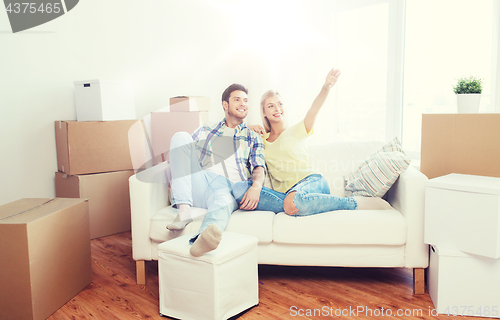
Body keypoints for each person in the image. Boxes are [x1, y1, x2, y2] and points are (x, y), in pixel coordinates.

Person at [232, 68, 391, 216]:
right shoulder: (261, 141)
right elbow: (230, 139)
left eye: (280, 104)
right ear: (264, 112)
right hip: (287, 194)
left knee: (293, 201)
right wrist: (245, 128)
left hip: (312, 182)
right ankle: (296, 206)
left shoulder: (296, 130)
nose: (277, 109)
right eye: (271, 106)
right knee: (239, 189)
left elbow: (314, 109)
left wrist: (326, 86)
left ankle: (354, 204)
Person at [166, 83, 283, 256]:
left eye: (245, 100)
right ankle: (184, 210)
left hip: (227, 187)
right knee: (180, 137)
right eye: (237, 100)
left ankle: (201, 240)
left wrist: (256, 186)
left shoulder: (252, 137)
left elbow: (259, 165)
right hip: (201, 180)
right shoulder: (207, 128)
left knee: (222, 203)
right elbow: (181, 153)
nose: (243, 103)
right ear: (225, 104)